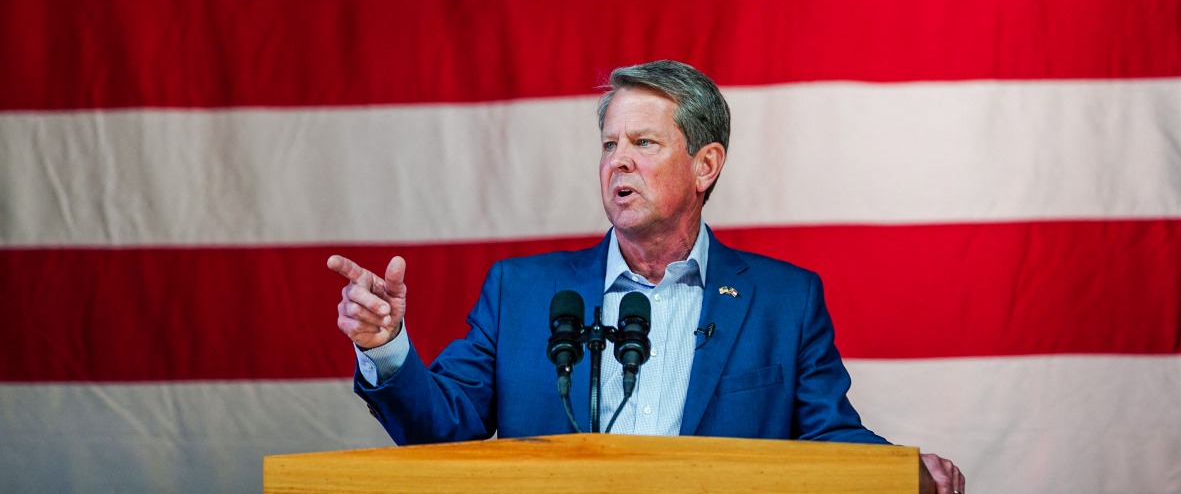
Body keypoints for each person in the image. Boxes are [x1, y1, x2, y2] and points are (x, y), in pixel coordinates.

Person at [329, 60, 965, 493]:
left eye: (644, 143)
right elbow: (443, 428)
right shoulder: (521, 292)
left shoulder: (783, 300)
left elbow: (827, 435)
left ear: (705, 164)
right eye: (609, 145)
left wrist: (898, 470)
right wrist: (385, 345)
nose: (618, 162)